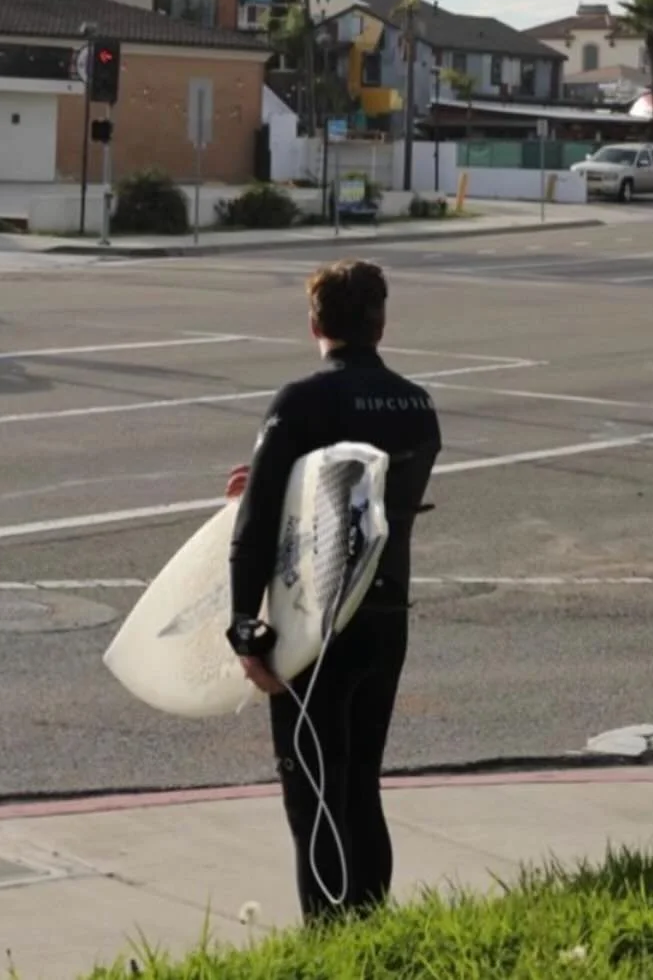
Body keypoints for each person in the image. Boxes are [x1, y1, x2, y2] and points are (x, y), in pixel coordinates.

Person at [223, 258, 441, 922]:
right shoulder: (417, 405)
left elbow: (258, 524)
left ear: (315, 321)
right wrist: (282, 484)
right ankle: (371, 933)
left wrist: (243, 625)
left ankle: (329, 942)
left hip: (318, 624)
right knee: (361, 786)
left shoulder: (302, 402)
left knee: (315, 791)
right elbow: (368, 506)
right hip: (386, 618)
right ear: (381, 321)